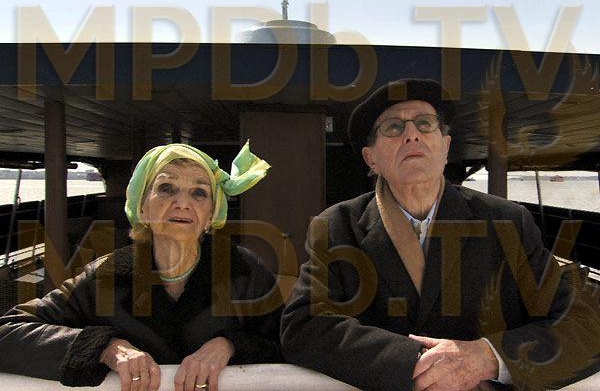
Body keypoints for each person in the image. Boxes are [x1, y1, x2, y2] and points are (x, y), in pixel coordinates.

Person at [280, 79, 600, 391]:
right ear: (371, 158)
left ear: (445, 147)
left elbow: (582, 323)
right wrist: (415, 363)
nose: (412, 135)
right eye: (393, 127)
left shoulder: (508, 222)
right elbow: (303, 325)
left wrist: (488, 357)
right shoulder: (336, 226)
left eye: (425, 123)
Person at [0, 141, 283, 391]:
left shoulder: (243, 270)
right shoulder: (106, 275)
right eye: (166, 188)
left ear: (211, 214)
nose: (182, 203)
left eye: (199, 192)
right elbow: (8, 332)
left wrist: (230, 345)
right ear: (142, 208)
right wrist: (105, 346)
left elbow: (285, 341)